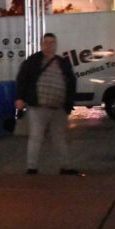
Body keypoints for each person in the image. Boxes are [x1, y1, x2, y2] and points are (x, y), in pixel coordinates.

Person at [14, 33, 81, 176]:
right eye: (46, 42)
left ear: (56, 45)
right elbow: (22, 79)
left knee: (59, 138)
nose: (49, 45)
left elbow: (71, 82)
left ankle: (65, 167)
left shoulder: (62, 62)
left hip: (58, 108)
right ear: (41, 44)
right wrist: (20, 98)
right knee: (36, 137)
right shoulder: (33, 61)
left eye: (52, 42)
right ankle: (31, 168)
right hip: (38, 107)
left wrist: (68, 104)